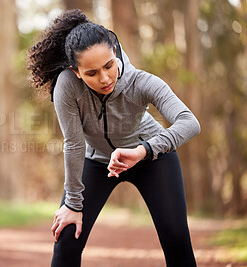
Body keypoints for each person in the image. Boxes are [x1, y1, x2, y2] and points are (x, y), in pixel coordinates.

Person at [26, 9, 200, 267]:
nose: (105, 78)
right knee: (66, 238)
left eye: (108, 66)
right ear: (76, 72)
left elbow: (190, 123)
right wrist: (73, 205)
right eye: (92, 73)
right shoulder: (66, 85)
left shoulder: (140, 82)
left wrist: (143, 150)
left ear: (115, 53)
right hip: (96, 162)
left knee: (176, 238)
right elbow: (73, 142)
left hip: (152, 158)